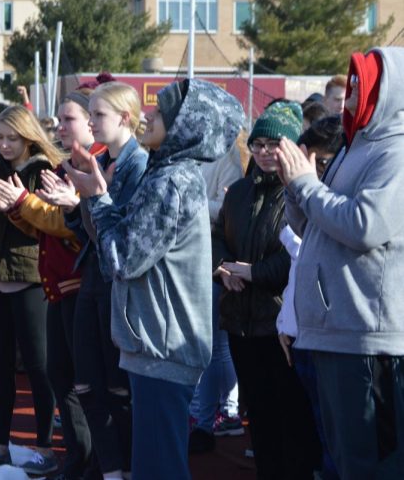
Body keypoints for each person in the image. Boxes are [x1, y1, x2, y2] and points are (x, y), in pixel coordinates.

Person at [65, 79, 243, 480]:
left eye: (161, 112)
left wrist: (96, 196)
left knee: (159, 468)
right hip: (159, 343)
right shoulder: (169, 173)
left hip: (164, 345)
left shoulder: (170, 181)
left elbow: (122, 259)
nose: (148, 116)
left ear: (185, 125)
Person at [278, 47, 404, 478]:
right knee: (345, 463)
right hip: (335, 333)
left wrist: (307, 186)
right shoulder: (356, 147)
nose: (348, 100)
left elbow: (364, 226)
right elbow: (316, 222)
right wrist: (295, 190)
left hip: (366, 338)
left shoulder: (396, 152)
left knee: (370, 465)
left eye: (359, 88)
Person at [0, 90, 106, 479]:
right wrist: (3, 206)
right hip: (34, 280)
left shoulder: (77, 166)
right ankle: (49, 455)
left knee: (60, 374)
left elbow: (65, 227)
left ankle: (62, 453)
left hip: (53, 282)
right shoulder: (57, 164)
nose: (60, 126)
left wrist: (22, 203)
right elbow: (42, 227)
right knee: (49, 373)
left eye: (69, 119)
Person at [212, 101, 322, 477]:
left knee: (291, 414)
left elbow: (299, 254)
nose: (263, 152)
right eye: (258, 144)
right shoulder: (238, 192)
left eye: (273, 144)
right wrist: (221, 268)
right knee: (257, 412)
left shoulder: (301, 193)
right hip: (240, 319)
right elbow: (216, 236)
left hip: (282, 325)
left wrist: (254, 272)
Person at [55, 82, 148, 478]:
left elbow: (124, 235)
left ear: (125, 117)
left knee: (116, 387)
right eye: (89, 115)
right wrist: (76, 206)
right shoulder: (102, 158)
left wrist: (89, 199)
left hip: (118, 286)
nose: (91, 123)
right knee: (87, 384)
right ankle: (110, 470)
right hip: (93, 276)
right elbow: (91, 231)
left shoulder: (138, 164)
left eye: (98, 115)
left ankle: (123, 467)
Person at [0, 105, 61, 476]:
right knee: (0, 367)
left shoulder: (42, 171)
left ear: (28, 137)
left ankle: (45, 448)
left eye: (10, 138)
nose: (2, 144)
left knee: (39, 367)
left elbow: (45, 227)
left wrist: (14, 205)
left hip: (30, 279)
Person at [276, 114, 344, 480]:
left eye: (320, 163)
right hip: (305, 335)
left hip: (344, 343)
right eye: (306, 160)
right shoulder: (307, 196)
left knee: (344, 446)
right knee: (321, 436)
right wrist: (287, 322)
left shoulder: (350, 204)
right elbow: (301, 260)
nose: (309, 170)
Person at [189, 129, 247, 453]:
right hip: (189, 253)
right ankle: (211, 411)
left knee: (215, 342)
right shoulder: (179, 152)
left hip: (214, 253)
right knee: (205, 340)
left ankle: (225, 410)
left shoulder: (225, 154)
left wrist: (190, 202)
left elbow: (227, 205)